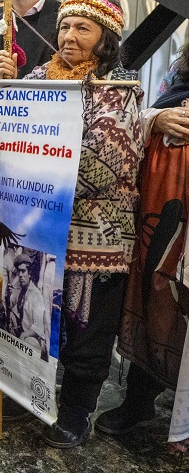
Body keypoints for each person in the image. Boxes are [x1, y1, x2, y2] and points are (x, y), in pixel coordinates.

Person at [0, 0, 143, 448]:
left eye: (83, 28)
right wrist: (2, 92)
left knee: (87, 333)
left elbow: (101, 167)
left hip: (95, 239)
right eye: (64, 26)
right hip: (39, 228)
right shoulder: (38, 80)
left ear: (105, 39)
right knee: (33, 320)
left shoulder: (118, 93)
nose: (69, 36)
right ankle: (29, 391)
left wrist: (33, 163)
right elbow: (6, 135)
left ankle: (77, 411)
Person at [96, 38, 189, 440]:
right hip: (162, 209)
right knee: (156, 294)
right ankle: (139, 402)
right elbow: (140, 115)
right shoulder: (178, 78)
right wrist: (158, 118)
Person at [6, 251, 46, 353]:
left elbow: (38, 327)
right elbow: (10, 305)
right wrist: (8, 296)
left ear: (30, 273)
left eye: (23, 271)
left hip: (32, 338)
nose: (20, 275)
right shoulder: (19, 288)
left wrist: (24, 335)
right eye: (18, 271)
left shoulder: (36, 295)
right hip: (20, 332)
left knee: (30, 342)